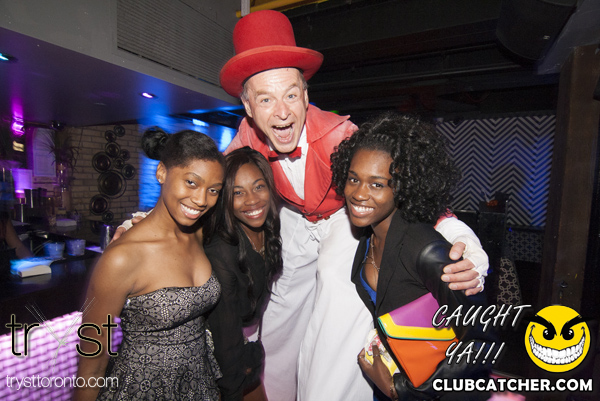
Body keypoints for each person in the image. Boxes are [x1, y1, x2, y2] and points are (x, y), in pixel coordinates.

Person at [218, 10, 489, 401]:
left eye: (291, 95)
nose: (282, 112)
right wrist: (152, 219)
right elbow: (211, 183)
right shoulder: (247, 136)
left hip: (343, 219)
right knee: (276, 313)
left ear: (306, 96)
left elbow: (405, 188)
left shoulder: (341, 135)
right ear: (248, 106)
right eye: (265, 99)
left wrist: (467, 246)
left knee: (336, 300)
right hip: (295, 219)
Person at [331, 112, 494, 400]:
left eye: (377, 184)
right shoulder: (366, 238)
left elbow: (481, 345)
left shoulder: (426, 249)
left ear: (403, 186)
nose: (358, 194)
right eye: (353, 179)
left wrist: (403, 391)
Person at [74, 129, 225, 401]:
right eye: (191, 182)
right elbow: (92, 362)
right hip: (142, 390)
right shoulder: (121, 258)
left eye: (213, 190)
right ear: (161, 172)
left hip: (199, 385)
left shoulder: (198, 232)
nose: (202, 200)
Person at [203, 147, 282, 401]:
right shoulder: (221, 253)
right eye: (238, 192)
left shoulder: (268, 230)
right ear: (225, 199)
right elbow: (224, 342)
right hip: (217, 367)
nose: (252, 200)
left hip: (246, 353)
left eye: (258, 187)